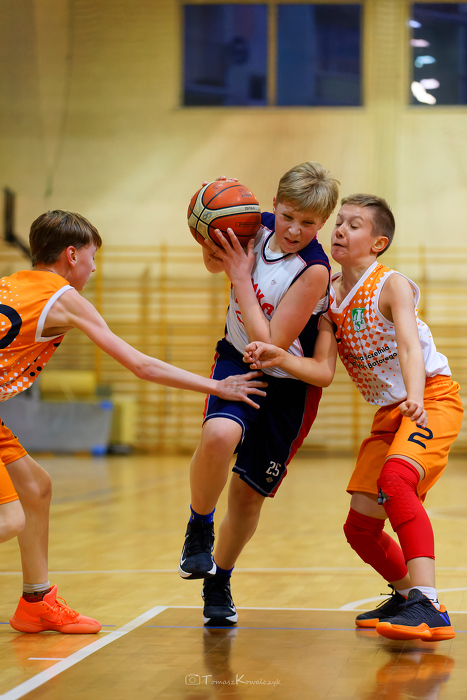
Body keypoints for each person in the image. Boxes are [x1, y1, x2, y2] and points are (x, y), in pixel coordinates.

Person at [0, 209, 267, 635]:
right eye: (91, 257)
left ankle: (36, 602)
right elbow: (141, 365)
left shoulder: (11, 283)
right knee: (9, 519)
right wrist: (218, 386)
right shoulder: (64, 298)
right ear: (71, 255)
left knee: (36, 488)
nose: (93, 267)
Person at [244, 193, 463, 642]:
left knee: (396, 481)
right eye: (339, 222)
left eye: (354, 224)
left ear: (378, 242)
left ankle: (429, 603)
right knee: (360, 528)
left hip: (430, 398)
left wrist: (416, 396)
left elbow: (408, 347)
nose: (340, 230)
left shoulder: (391, 284)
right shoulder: (330, 297)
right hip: (390, 412)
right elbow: (322, 372)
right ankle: (406, 594)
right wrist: (280, 357)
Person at [178, 162, 340, 626]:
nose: (294, 230)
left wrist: (239, 276)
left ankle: (219, 580)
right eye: (288, 216)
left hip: (286, 384)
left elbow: (269, 344)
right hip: (236, 356)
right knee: (218, 436)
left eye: (308, 223)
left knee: (248, 498)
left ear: (321, 223)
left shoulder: (314, 270)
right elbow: (215, 262)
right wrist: (211, 235)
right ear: (274, 205)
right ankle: (199, 527)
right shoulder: (254, 224)